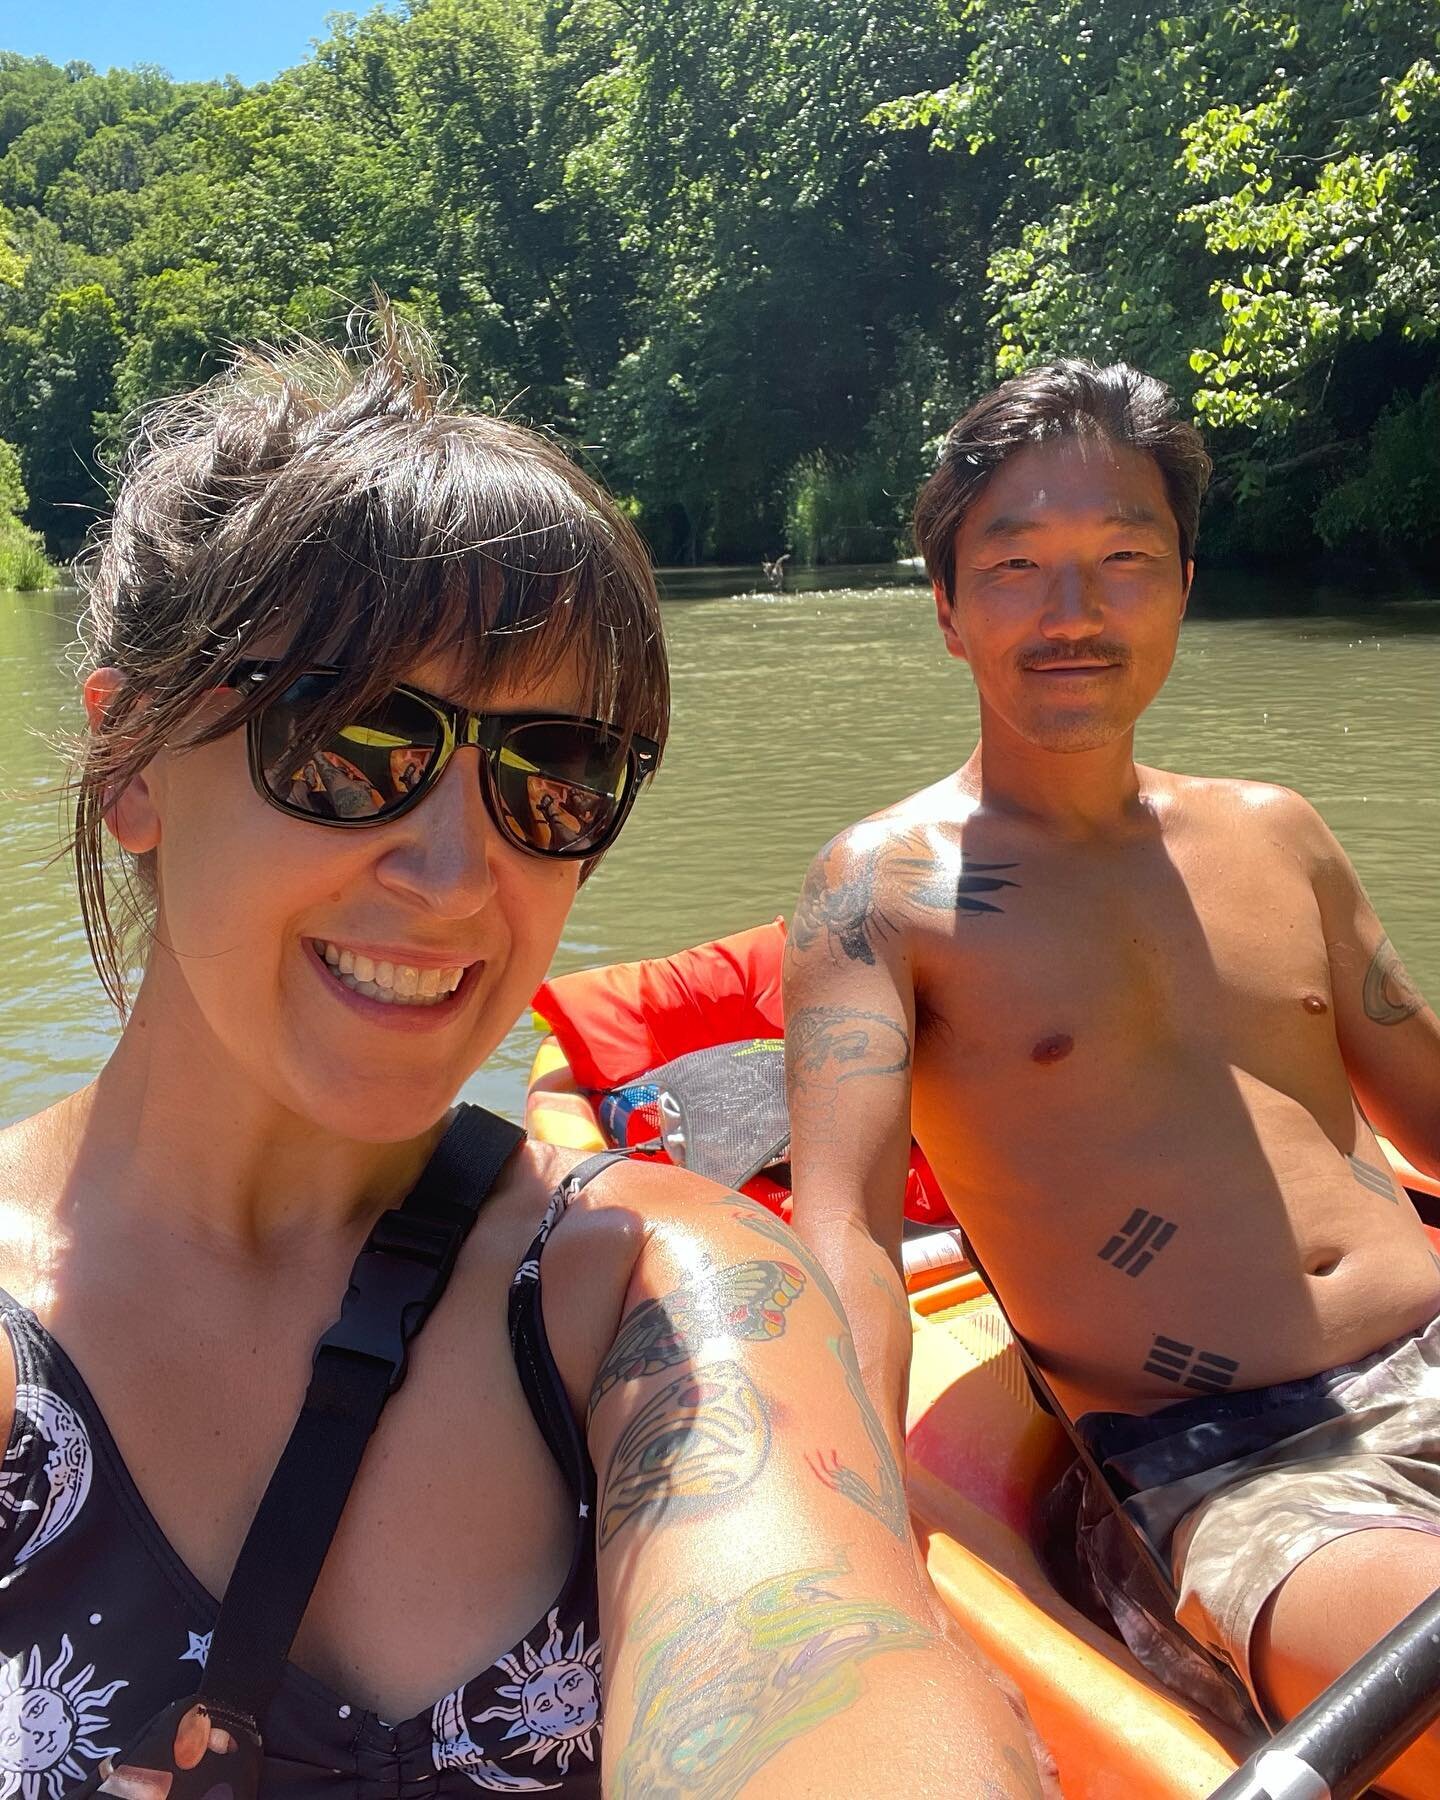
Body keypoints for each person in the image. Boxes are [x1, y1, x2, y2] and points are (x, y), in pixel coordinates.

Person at [0, 309, 1043, 1800]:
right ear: (130, 768)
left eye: (554, 775)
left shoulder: (647, 1284)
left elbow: (823, 1672)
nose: (455, 869)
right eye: (355, 738)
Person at [783, 359, 1440, 1794]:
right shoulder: (880, 893)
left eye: (1121, 560)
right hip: (1243, 1476)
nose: (1072, 613)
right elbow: (848, 1235)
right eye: (1015, 567)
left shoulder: (1282, 835)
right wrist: (848, 1524)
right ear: (948, 613)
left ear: (1183, 584)